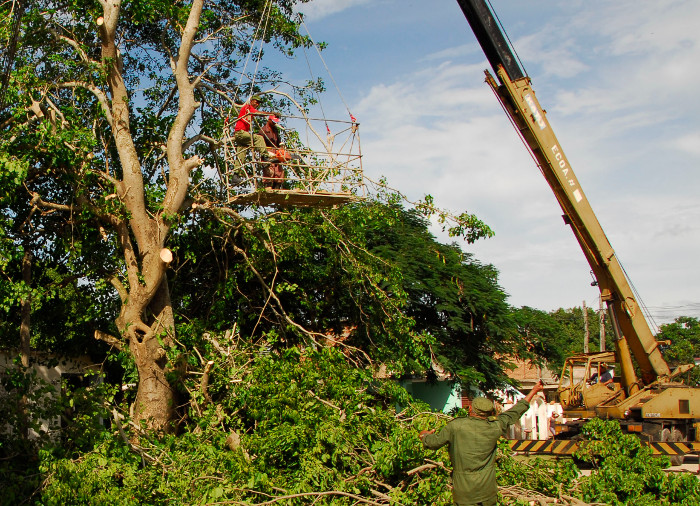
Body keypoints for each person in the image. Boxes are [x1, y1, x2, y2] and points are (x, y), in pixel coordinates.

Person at [419, 380, 545, 506]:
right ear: (489, 413)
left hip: (465, 494)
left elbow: (433, 443)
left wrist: (424, 435)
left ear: (470, 409)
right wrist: (533, 391)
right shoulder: (495, 426)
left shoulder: (456, 426)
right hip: (487, 493)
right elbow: (515, 412)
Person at [233, 95, 272, 170]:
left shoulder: (249, 110)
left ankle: (236, 174)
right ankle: (265, 157)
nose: (257, 105)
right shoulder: (248, 107)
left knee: (241, 153)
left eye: (258, 103)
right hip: (240, 133)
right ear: (251, 101)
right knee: (259, 138)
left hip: (240, 134)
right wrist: (271, 113)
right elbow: (259, 113)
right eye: (256, 102)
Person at [258, 113, 285, 189]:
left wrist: (281, 147)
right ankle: (268, 187)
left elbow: (278, 142)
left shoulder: (275, 130)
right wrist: (265, 153)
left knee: (279, 172)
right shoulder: (263, 131)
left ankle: (277, 188)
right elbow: (259, 145)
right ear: (269, 119)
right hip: (267, 152)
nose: (274, 123)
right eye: (273, 121)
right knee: (269, 171)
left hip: (276, 152)